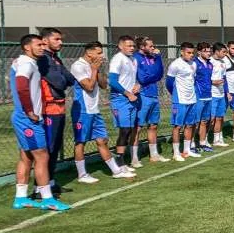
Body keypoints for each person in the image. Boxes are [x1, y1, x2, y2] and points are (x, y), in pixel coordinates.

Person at [10, 34, 69, 211]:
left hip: (25, 117)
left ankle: (20, 198)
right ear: (27, 47)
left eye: (43, 44)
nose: (42, 47)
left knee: (26, 157)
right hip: (27, 118)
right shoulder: (26, 63)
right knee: (42, 156)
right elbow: (21, 85)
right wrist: (29, 111)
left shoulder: (26, 62)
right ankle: (47, 198)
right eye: (38, 44)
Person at [71, 42, 135, 183]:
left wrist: (97, 70)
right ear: (89, 53)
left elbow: (104, 85)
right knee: (80, 142)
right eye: (99, 53)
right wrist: (93, 69)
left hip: (94, 109)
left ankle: (116, 171)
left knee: (102, 140)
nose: (102, 55)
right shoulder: (78, 66)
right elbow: (88, 86)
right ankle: (82, 175)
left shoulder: (94, 66)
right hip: (82, 110)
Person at [36, 27, 76, 197]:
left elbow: (70, 79)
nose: (61, 42)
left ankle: (51, 182)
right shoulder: (43, 59)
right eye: (57, 39)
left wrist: (62, 76)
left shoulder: (55, 59)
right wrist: (61, 77)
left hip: (58, 108)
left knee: (55, 147)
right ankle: (39, 188)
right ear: (45, 41)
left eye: (61, 39)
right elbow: (60, 82)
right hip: (48, 109)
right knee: (48, 149)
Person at [133, 36, 169, 164]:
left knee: (153, 125)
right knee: (137, 127)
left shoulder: (153, 57)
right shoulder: (136, 58)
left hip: (153, 94)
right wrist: (152, 76)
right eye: (150, 46)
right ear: (142, 47)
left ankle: (154, 155)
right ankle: (134, 158)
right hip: (142, 95)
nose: (153, 48)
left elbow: (159, 74)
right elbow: (142, 78)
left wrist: (158, 58)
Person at [108, 35, 140, 172]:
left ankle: (122, 160)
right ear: (120, 46)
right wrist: (127, 93)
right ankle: (119, 162)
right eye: (128, 45)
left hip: (132, 98)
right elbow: (113, 81)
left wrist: (138, 85)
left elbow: (134, 78)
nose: (132, 48)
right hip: (120, 99)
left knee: (129, 130)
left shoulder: (133, 60)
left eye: (133, 46)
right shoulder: (117, 59)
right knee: (124, 130)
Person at [167, 42, 200, 161]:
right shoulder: (175, 64)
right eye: (188, 52)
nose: (191, 55)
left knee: (190, 125)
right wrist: (175, 95)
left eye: (192, 53)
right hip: (180, 100)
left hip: (192, 98)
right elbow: (169, 83)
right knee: (177, 126)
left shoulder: (194, 64)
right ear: (182, 52)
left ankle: (187, 150)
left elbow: (193, 80)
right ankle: (176, 152)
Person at [194, 42, 215, 152]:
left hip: (208, 95)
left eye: (209, 51)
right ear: (199, 52)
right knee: (195, 122)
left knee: (205, 121)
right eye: (205, 51)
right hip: (198, 96)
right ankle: (192, 144)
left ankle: (202, 143)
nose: (208, 53)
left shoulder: (210, 64)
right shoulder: (194, 63)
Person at [209, 42, 229, 147]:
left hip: (221, 94)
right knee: (210, 119)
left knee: (220, 117)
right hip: (212, 94)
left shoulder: (223, 62)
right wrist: (213, 82)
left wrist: (227, 92)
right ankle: (203, 139)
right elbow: (204, 78)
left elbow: (224, 78)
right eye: (223, 52)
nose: (225, 54)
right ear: (216, 51)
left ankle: (217, 140)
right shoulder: (210, 62)